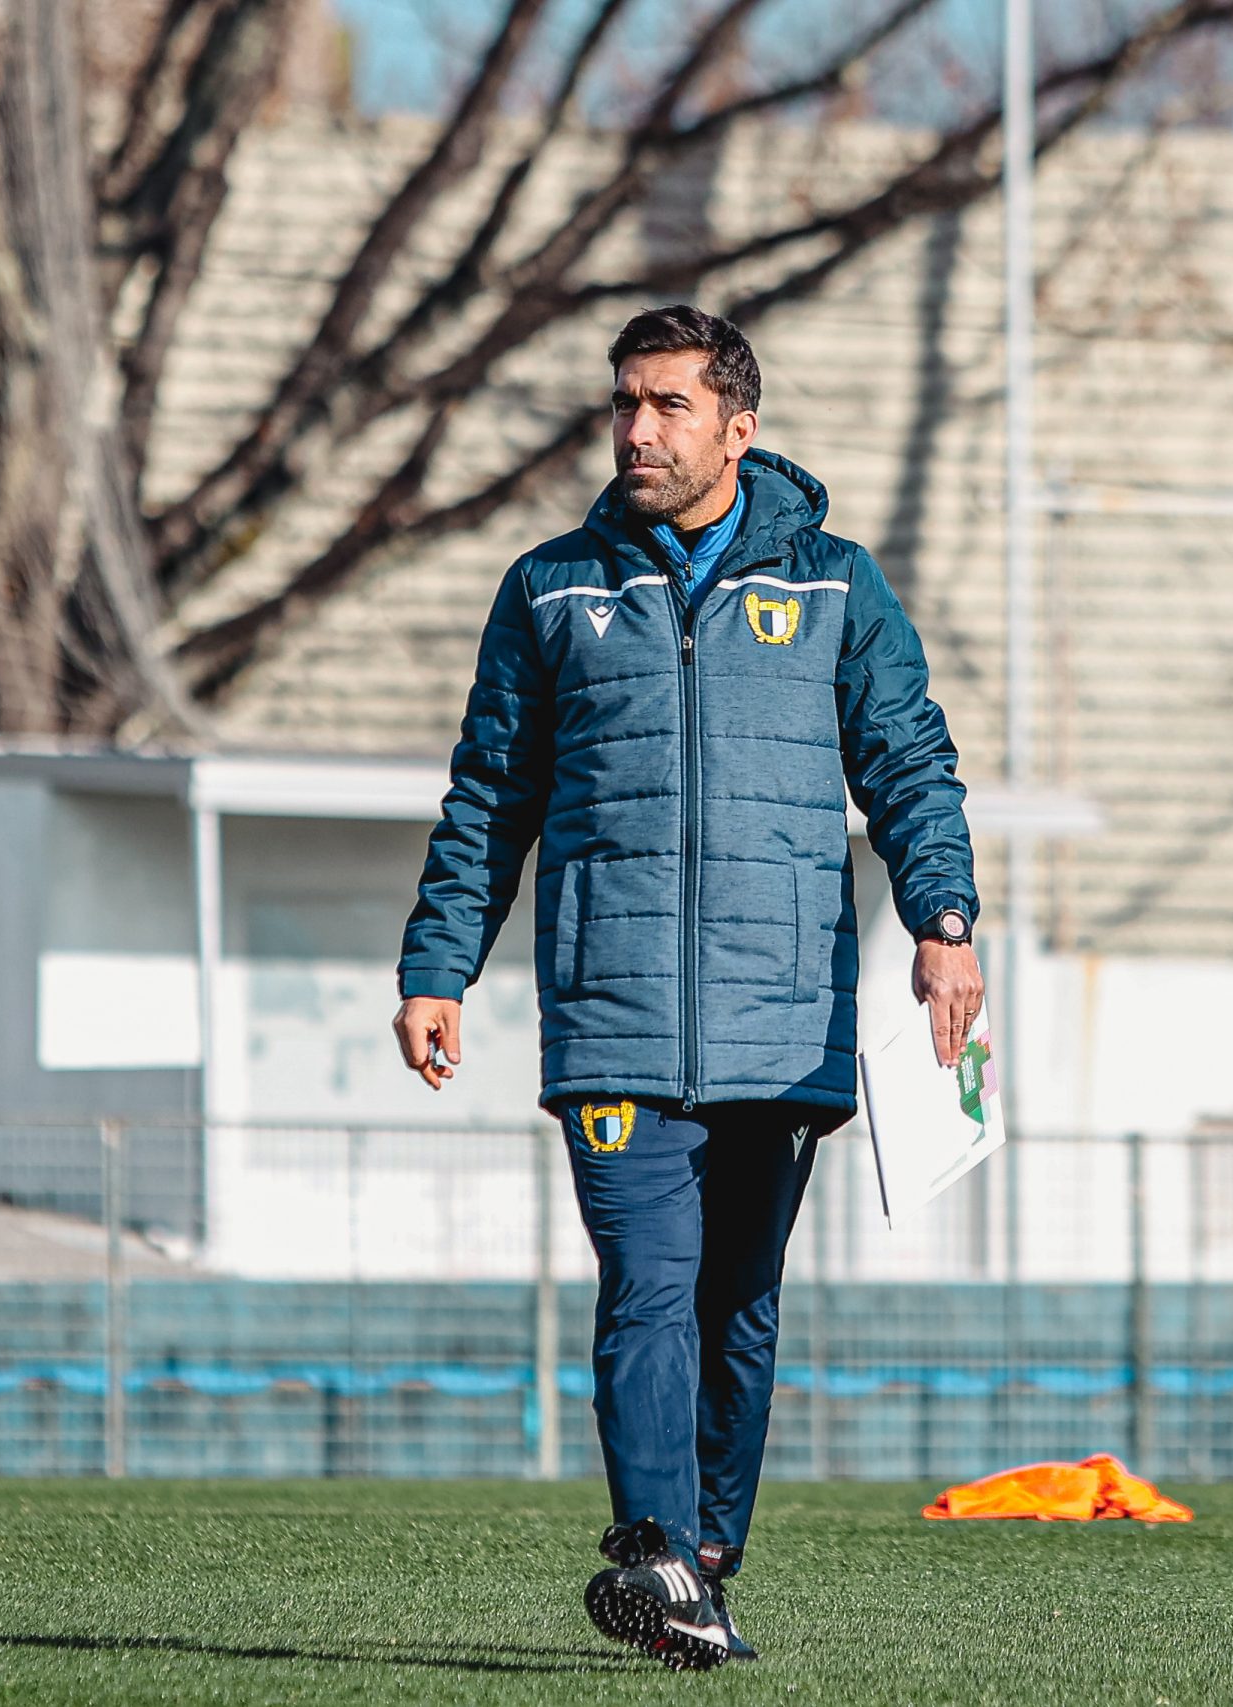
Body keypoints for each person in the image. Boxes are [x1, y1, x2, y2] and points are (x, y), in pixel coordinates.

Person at [393, 304, 982, 1672]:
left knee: (737, 1302)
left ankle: (705, 1562)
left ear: (738, 425)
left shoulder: (835, 585)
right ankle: (652, 1543)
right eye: (624, 404)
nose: (637, 430)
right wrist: (439, 966)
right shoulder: (550, 586)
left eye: (665, 405)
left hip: (783, 1019)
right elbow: (490, 795)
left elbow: (909, 762)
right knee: (646, 1286)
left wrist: (943, 921)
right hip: (612, 1011)